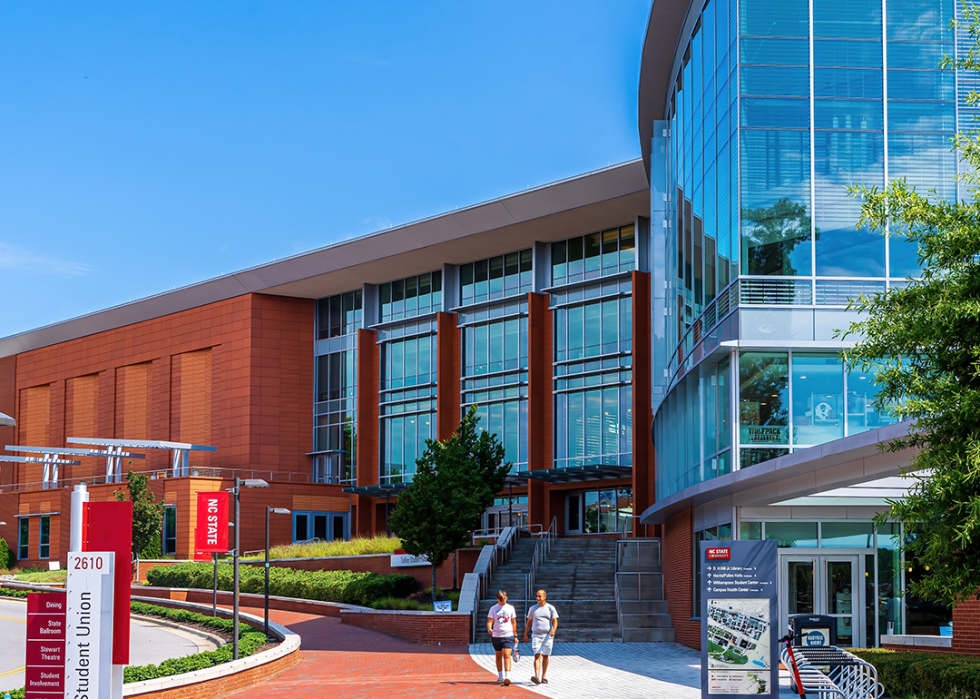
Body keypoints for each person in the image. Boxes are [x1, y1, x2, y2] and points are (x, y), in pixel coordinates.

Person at [522, 588, 559, 685]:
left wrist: (553, 630)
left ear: (545, 597)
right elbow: (528, 622)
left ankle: (544, 676)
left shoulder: (550, 608)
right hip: (536, 635)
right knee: (537, 655)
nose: (537, 598)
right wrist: (525, 634)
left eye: (539, 596)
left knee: (546, 655)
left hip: (547, 636)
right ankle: (537, 676)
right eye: (536, 596)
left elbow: (555, 621)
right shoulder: (533, 608)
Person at [487, 590, 518, 686]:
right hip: (496, 636)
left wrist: (515, 635)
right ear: (497, 599)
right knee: (498, 656)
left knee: (507, 655)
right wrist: (489, 629)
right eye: (501, 601)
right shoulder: (493, 609)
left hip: (508, 635)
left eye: (504, 600)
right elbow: (489, 621)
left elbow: (513, 622)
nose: (503, 602)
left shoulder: (510, 608)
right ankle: (500, 676)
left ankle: (507, 676)